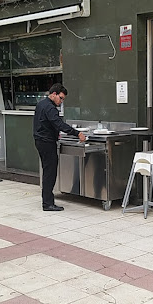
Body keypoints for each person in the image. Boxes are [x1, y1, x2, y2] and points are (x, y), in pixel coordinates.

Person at [33, 83, 86, 211]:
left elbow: (47, 124)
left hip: (40, 140)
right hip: (47, 142)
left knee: (47, 171)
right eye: (61, 98)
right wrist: (77, 133)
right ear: (54, 94)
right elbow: (59, 124)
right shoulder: (50, 108)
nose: (61, 101)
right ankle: (48, 203)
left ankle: (47, 200)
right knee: (50, 172)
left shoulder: (41, 104)